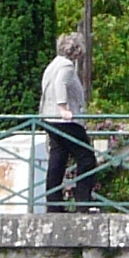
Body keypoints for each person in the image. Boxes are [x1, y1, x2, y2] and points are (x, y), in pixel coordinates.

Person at [40, 32, 96, 210]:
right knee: (87, 158)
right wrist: (64, 108)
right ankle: (83, 201)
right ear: (76, 51)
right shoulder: (66, 66)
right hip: (63, 121)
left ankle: (54, 204)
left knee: (58, 159)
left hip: (49, 118)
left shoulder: (53, 64)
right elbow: (60, 84)